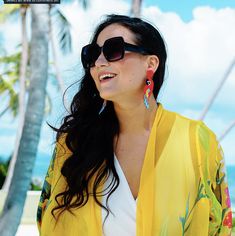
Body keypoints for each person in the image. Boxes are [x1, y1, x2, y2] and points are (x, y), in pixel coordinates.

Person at [37, 14, 232, 236]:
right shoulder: (74, 143)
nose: (99, 62)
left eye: (113, 50)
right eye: (92, 54)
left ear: (151, 64)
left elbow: (221, 226)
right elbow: (46, 218)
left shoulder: (196, 142)